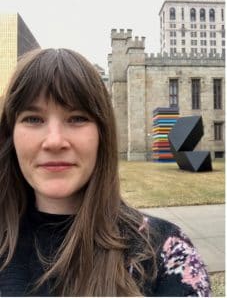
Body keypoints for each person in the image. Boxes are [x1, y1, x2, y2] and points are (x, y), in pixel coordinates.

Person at [0, 48, 210, 297]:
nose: (54, 141)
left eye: (77, 118)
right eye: (33, 119)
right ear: (10, 135)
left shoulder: (165, 254)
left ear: (102, 134)